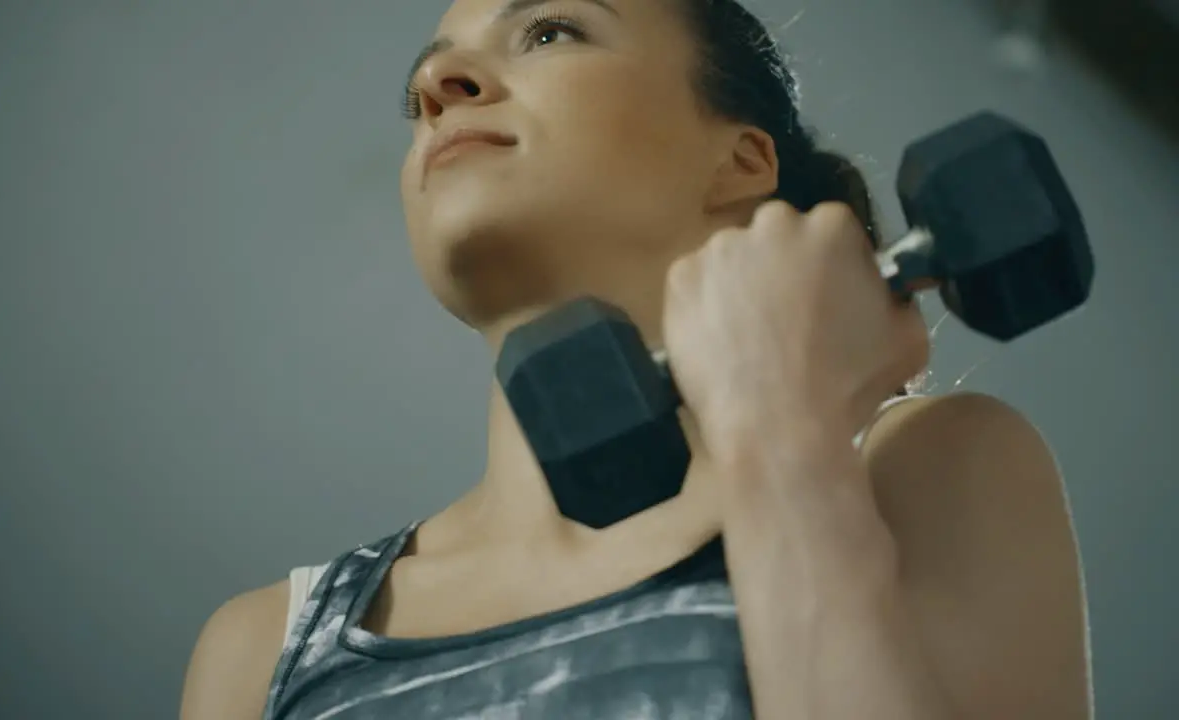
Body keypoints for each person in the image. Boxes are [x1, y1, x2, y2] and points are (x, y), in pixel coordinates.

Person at [180, 0, 1092, 718]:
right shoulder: (260, 649)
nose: (435, 84)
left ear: (740, 159)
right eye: (420, 80)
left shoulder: (931, 467)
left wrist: (781, 436)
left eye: (548, 30)